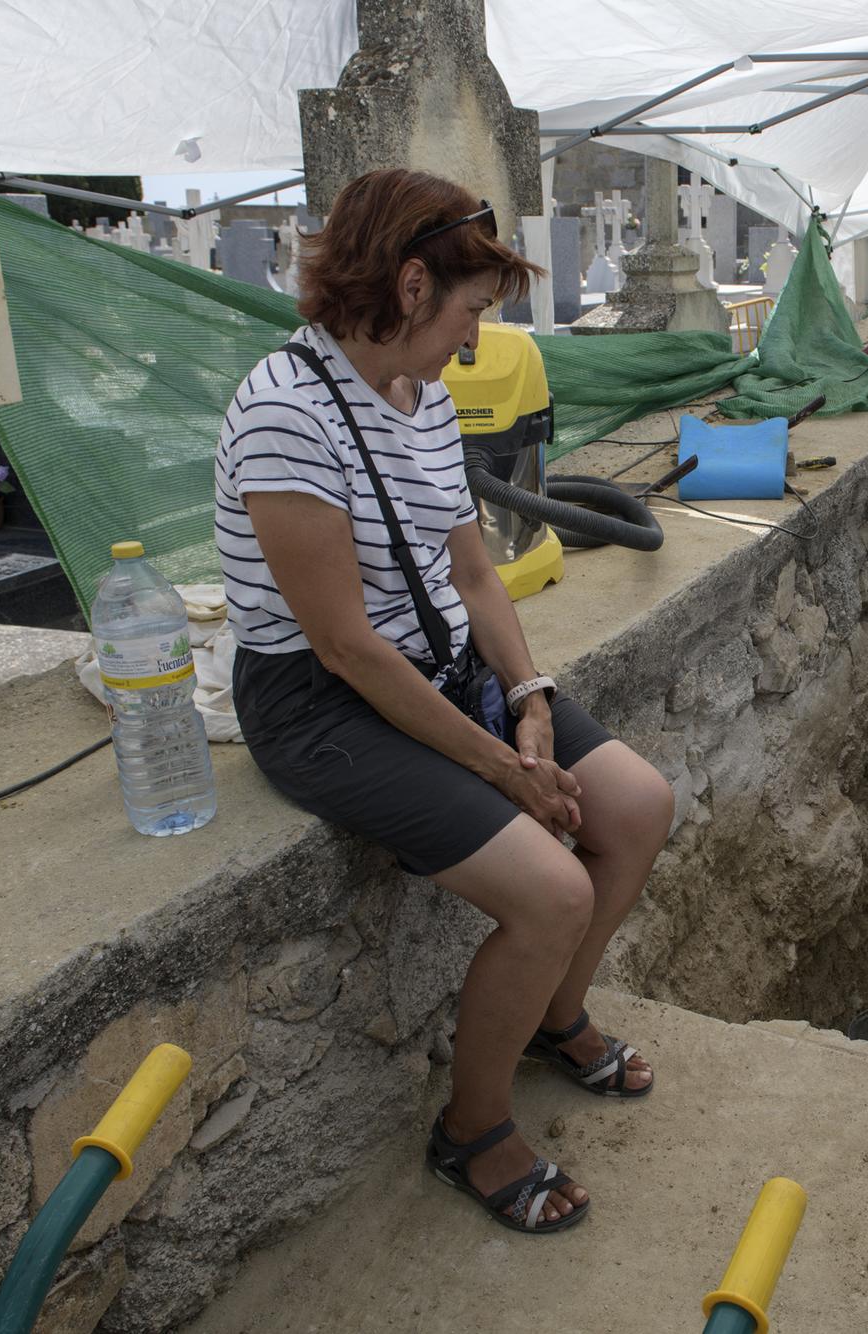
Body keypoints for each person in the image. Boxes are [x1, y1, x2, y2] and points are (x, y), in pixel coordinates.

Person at [216, 168, 675, 1234]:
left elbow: (473, 575)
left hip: (445, 668)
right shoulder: (288, 411)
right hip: (325, 704)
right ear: (411, 285)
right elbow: (342, 645)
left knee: (636, 805)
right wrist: (504, 767)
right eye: (470, 312)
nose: (475, 343)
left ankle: (555, 1014)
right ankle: (470, 1127)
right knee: (552, 889)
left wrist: (524, 696)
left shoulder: (419, 397)